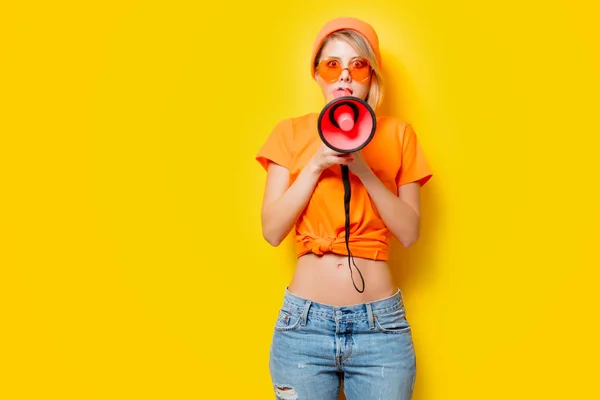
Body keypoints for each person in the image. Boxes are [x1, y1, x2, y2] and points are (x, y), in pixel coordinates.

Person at [256, 16, 433, 400]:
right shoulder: (288, 133)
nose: (345, 77)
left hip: (379, 330)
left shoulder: (399, 135)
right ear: (317, 74)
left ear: (372, 75)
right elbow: (271, 231)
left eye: (358, 65)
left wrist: (364, 167)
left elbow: (409, 232)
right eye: (332, 64)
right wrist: (318, 163)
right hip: (303, 328)